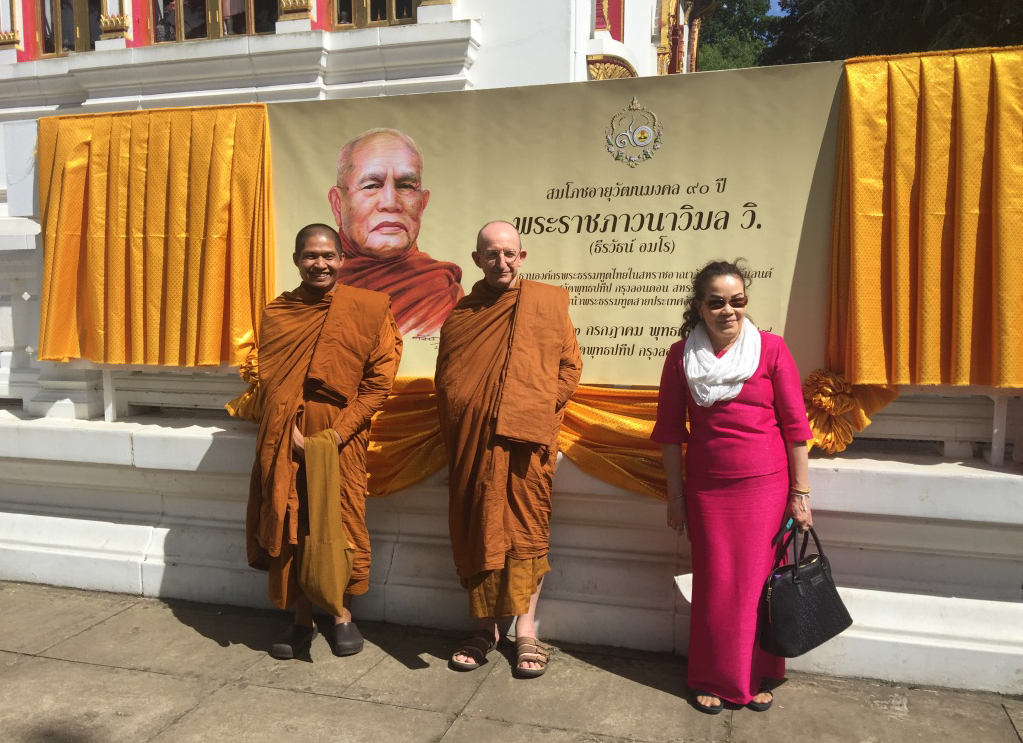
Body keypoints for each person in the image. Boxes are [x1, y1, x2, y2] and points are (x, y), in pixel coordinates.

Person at [651, 259, 813, 714]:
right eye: (717, 302)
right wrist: (676, 497)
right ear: (699, 308)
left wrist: (800, 495)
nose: (729, 311)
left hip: (765, 488)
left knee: (759, 584)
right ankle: (711, 677)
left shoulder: (772, 349)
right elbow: (669, 434)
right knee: (717, 585)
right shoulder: (680, 356)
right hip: (707, 490)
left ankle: (756, 674)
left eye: (737, 301)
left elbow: (796, 428)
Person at [244, 223, 402, 660]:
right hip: (286, 438)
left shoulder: (368, 309)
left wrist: (333, 435)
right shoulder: (279, 313)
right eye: (311, 256)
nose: (320, 264)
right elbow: (270, 383)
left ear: (342, 260)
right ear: (296, 260)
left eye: (328, 256)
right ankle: (301, 620)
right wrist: (284, 430)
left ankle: (342, 616)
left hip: (341, 439)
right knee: (294, 523)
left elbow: (377, 384)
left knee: (342, 522)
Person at [434, 221, 582, 678]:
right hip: (476, 448)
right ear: (477, 259)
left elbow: (570, 367)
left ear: (523, 256)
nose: (502, 262)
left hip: (526, 447)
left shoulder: (546, 303)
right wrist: (475, 416)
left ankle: (526, 631)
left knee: (524, 535)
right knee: (481, 528)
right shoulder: (462, 315)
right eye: (491, 254)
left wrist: (530, 410)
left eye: (509, 253)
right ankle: (485, 629)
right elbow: (447, 381)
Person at [328, 128, 464, 338]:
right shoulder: (320, 290)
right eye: (372, 185)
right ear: (338, 205)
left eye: (406, 186)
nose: (390, 203)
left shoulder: (440, 292)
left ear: (422, 204)